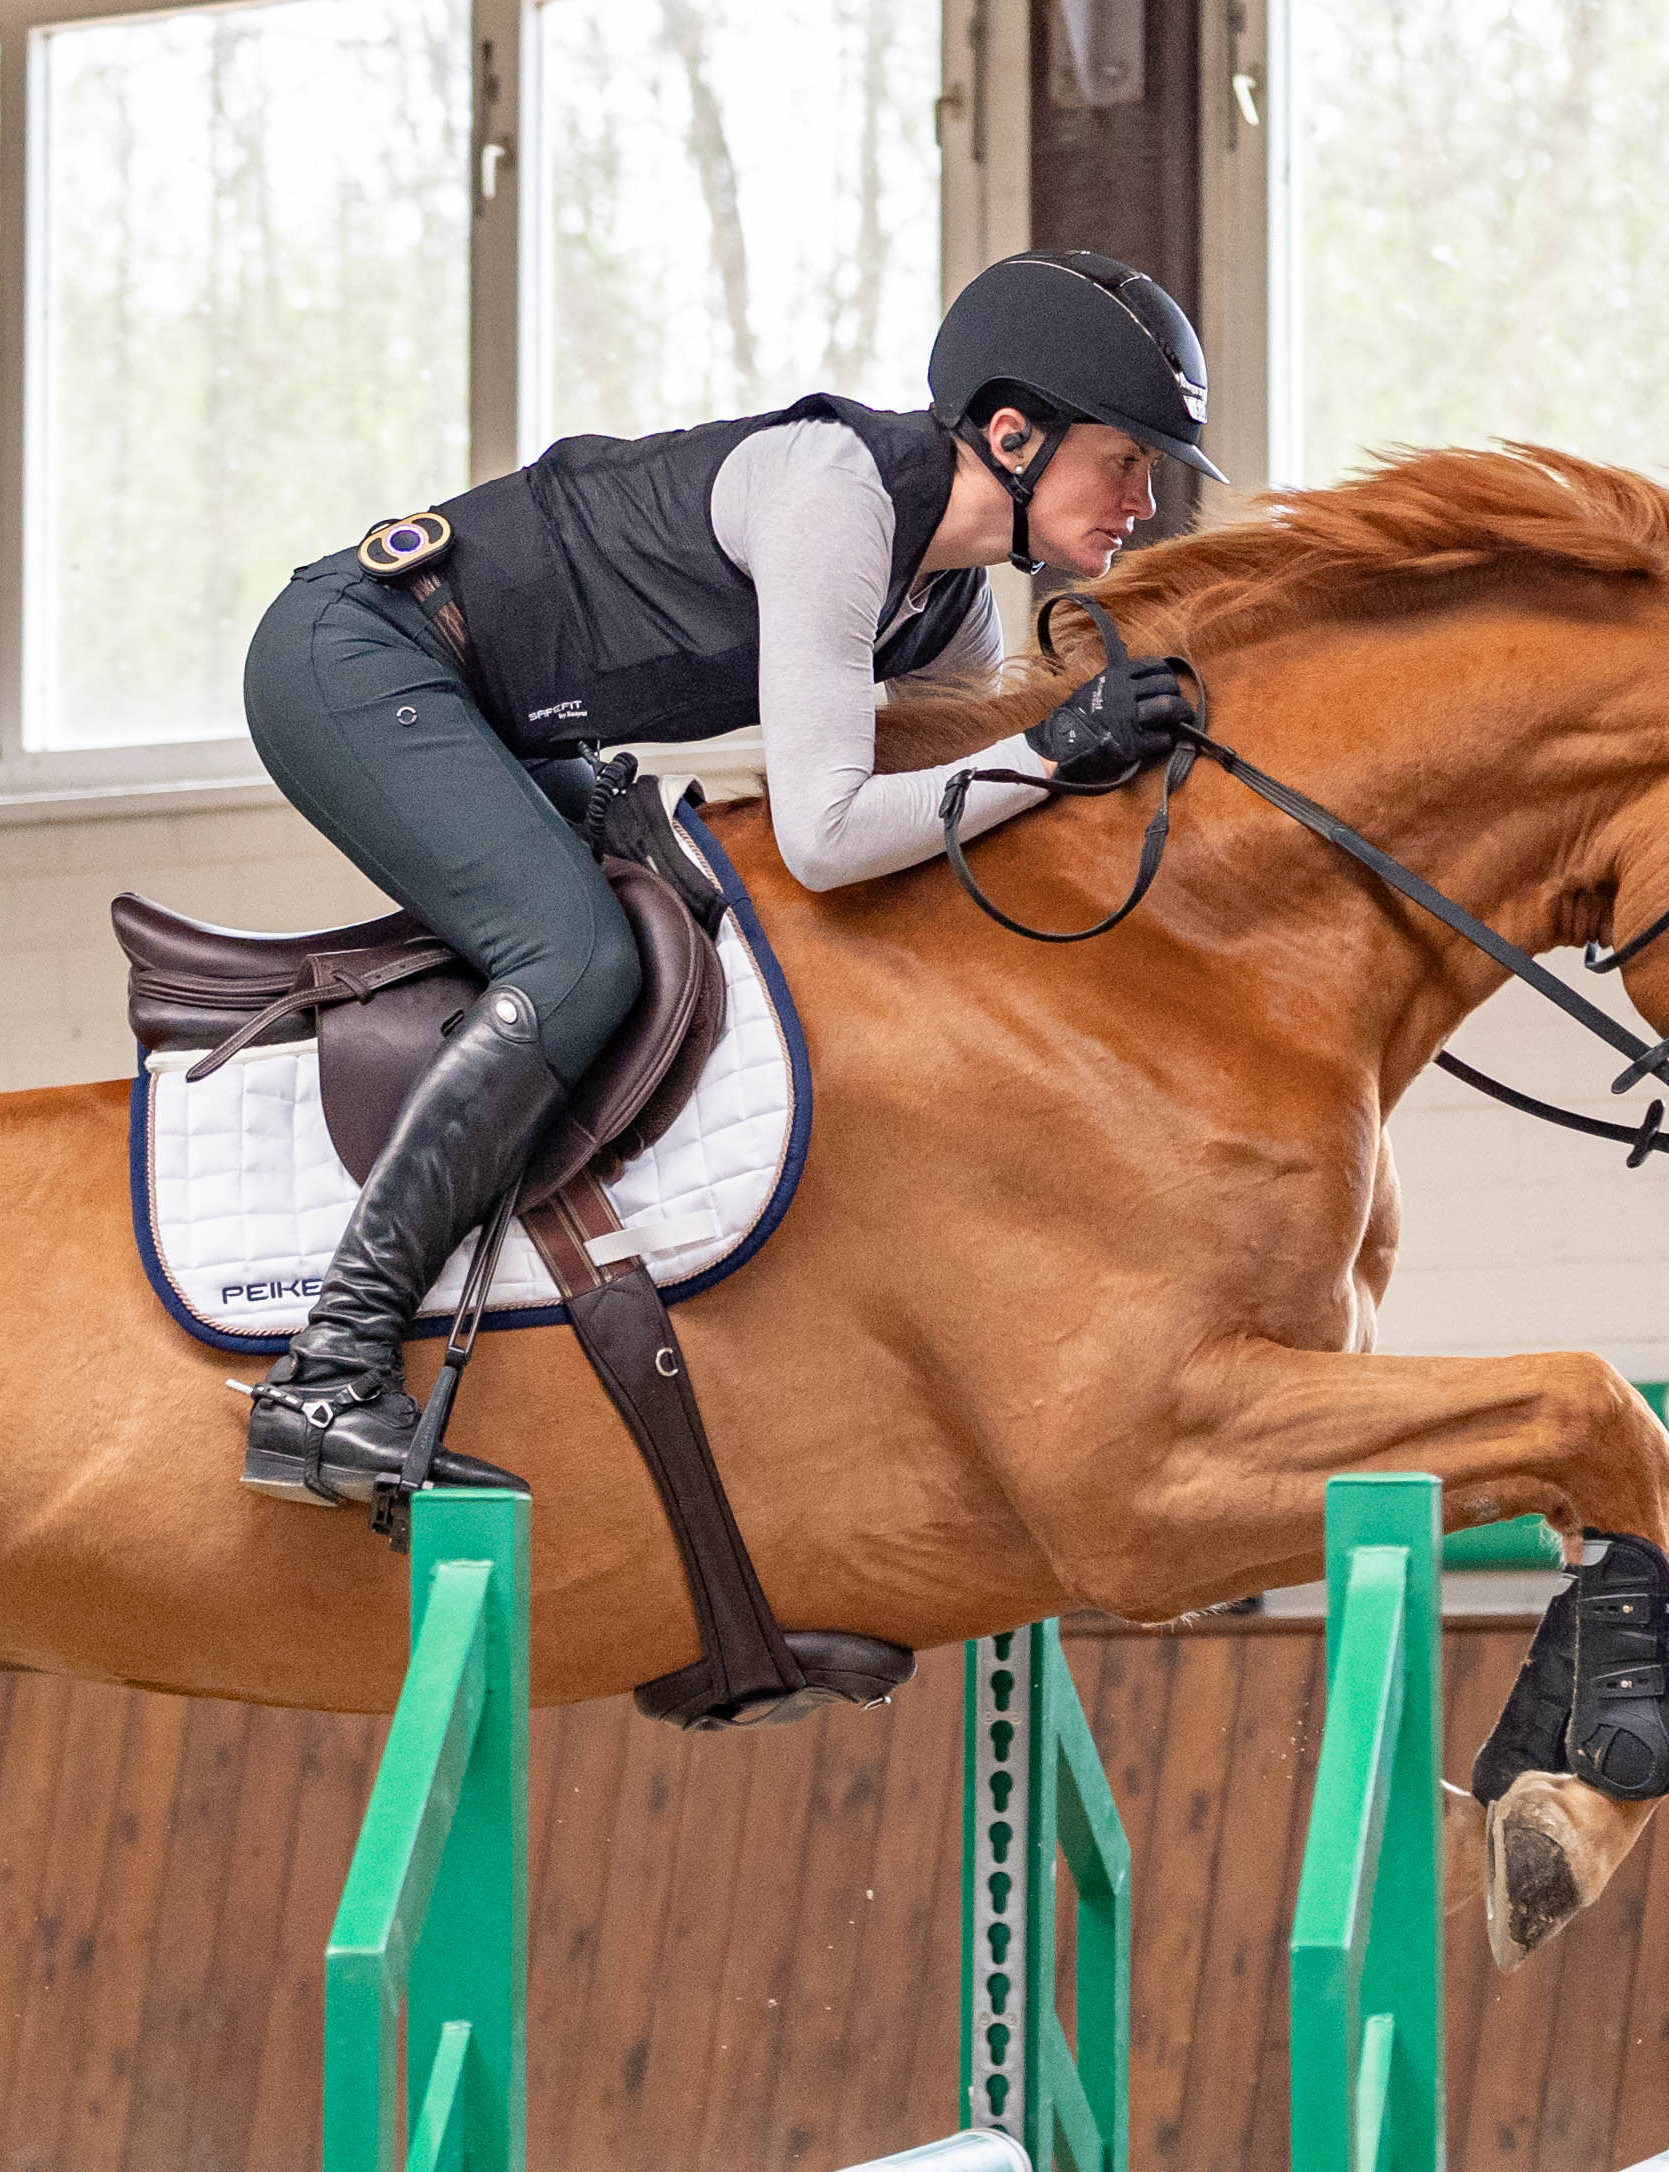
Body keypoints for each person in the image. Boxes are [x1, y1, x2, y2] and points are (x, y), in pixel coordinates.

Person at [229, 247, 1224, 1508]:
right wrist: (1052, 751)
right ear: (1015, 435)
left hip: (501, 717)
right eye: (1126, 458)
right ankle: (328, 1368)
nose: (1146, 498)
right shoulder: (836, 496)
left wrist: (1110, 770)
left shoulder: (950, 610)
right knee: (578, 959)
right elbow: (830, 833)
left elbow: (962, 825)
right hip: (355, 654)